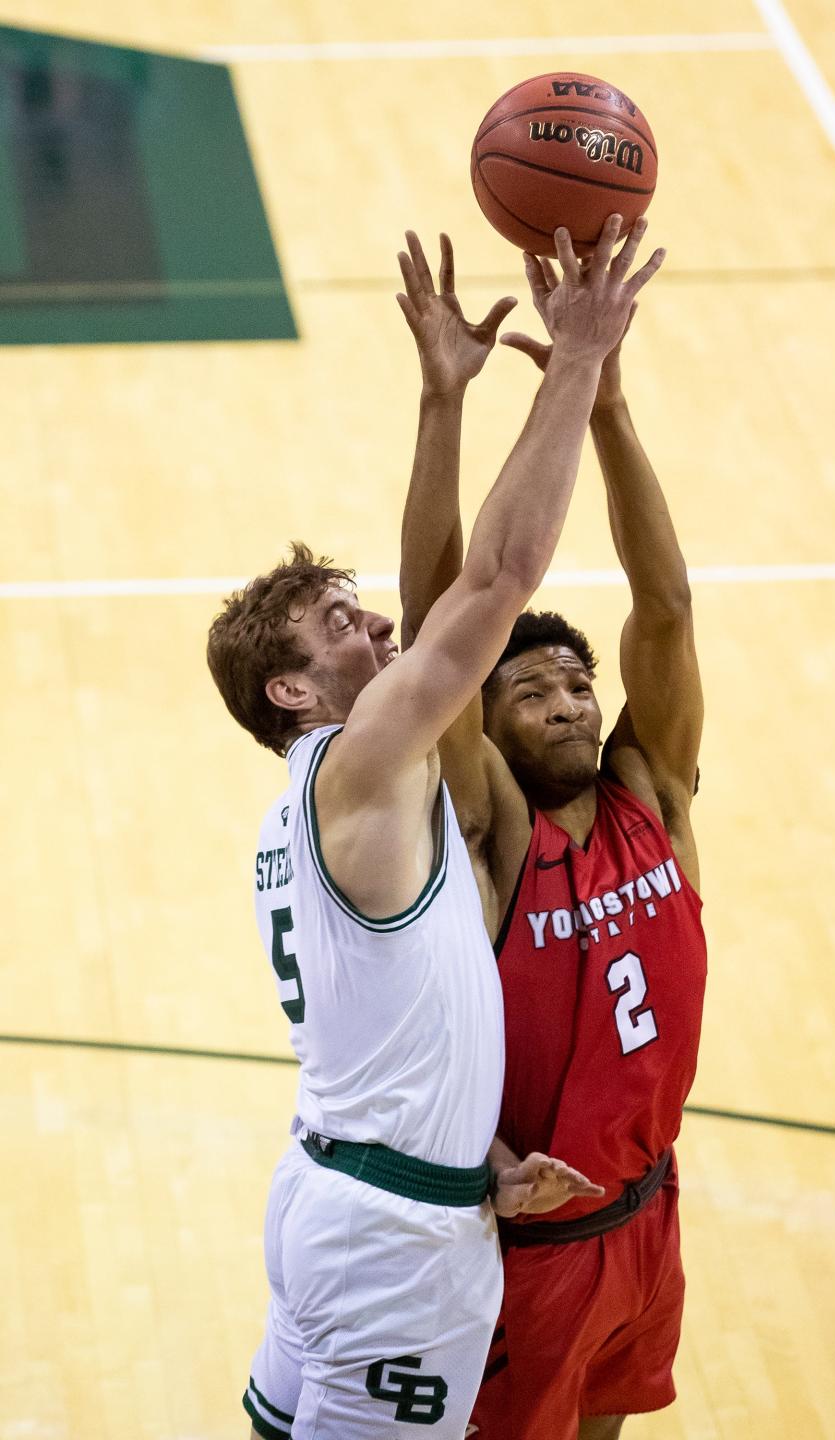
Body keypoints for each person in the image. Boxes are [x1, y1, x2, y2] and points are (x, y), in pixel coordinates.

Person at [206, 213, 656, 1440]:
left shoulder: (318, 806)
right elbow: (496, 579)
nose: (381, 634)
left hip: (343, 1190)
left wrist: (441, 401)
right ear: (291, 692)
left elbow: (390, 1030)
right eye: (341, 628)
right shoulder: (359, 769)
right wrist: (577, 362)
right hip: (394, 1249)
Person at [397, 220, 705, 1440]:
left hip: (648, 1217)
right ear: (491, 722)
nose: (571, 701)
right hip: (527, 1247)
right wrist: (447, 406)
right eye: (532, 692)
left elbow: (667, 609)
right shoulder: (501, 837)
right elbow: (439, 631)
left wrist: (612, 405)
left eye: (576, 683)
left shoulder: (654, 801)